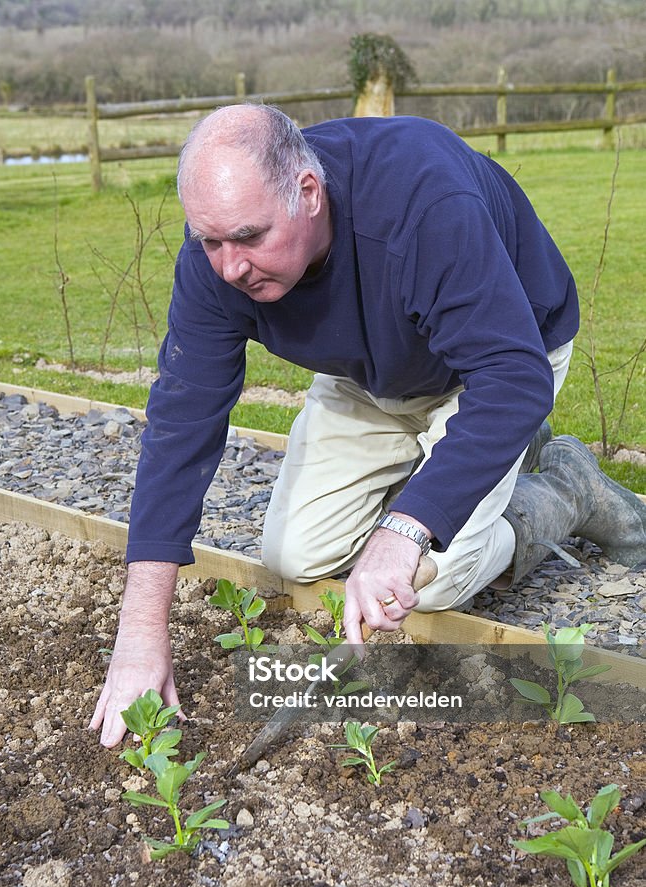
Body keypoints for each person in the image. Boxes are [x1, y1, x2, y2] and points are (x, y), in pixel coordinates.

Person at [89, 103, 646, 747]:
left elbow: (512, 377)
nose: (229, 267)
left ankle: (563, 492)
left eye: (248, 237)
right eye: (210, 241)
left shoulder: (423, 201)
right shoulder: (217, 260)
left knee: (433, 581)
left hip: (497, 364)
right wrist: (139, 632)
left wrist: (406, 531)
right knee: (293, 555)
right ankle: (467, 467)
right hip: (370, 372)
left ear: (307, 191)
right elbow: (183, 418)